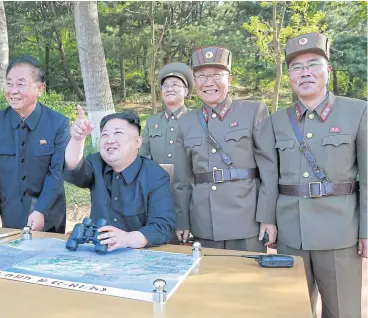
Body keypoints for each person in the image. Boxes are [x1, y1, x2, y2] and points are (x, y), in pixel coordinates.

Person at [272, 32, 366, 318]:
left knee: (343, 311)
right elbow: (268, 176)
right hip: (291, 233)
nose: (305, 73)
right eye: (296, 68)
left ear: (328, 70)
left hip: (340, 233)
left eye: (313, 64)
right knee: (293, 310)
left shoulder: (358, 111)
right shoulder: (277, 120)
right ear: (289, 77)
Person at [173, 46, 278, 251]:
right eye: (201, 76)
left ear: (229, 79)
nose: (209, 82)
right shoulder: (186, 122)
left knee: (247, 281)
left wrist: (267, 217)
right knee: (208, 282)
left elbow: (269, 170)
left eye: (216, 75)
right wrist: (182, 220)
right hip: (203, 223)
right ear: (194, 81)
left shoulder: (253, 111)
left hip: (247, 221)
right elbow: (182, 181)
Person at [0, 56, 69, 233]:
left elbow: (56, 173)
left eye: (21, 84)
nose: (13, 90)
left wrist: (40, 210)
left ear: (40, 89)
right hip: (12, 216)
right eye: (9, 83)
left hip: (49, 215)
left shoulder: (58, 123)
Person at [63, 107, 175, 251]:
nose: (110, 140)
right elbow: (74, 170)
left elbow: (163, 227)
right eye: (104, 135)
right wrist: (77, 139)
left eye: (118, 133)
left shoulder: (155, 176)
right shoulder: (95, 163)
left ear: (138, 142)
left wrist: (128, 238)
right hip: (97, 254)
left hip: (139, 257)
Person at [139, 62, 194, 164]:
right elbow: (143, 157)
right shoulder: (152, 122)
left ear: (185, 91)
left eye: (174, 84)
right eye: (165, 86)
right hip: (157, 179)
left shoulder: (197, 119)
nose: (169, 89)